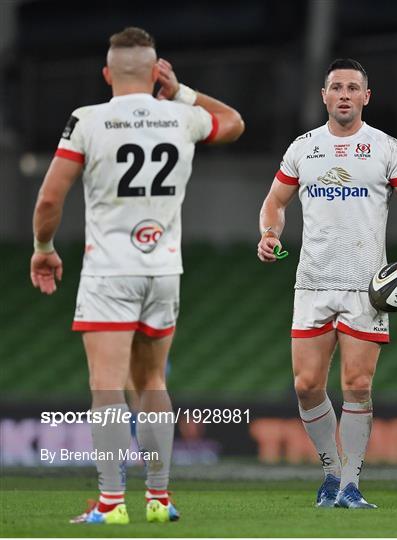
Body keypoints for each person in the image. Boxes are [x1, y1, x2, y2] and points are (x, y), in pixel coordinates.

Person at [30, 27, 244, 525]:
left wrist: (43, 248)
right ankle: (159, 498)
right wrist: (183, 90)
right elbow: (233, 123)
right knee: (151, 384)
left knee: (106, 387)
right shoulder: (184, 117)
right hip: (164, 270)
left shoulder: (88, 120)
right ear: (156, 72)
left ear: (107, 74)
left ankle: (110, 504)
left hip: (109, 271)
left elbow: (48, 199)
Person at [257, 58, 397, 509]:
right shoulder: (303, 148)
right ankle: (331, 473)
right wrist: (270, 232)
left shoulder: (386, 148)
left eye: (353, 88)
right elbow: (275, 202)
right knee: (306, 384)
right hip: (313, 282)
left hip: (365, 287)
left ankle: (351, 485)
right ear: (324, 95)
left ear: (365, 97)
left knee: (357, 384)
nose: (344, 94)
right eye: (336, 86)